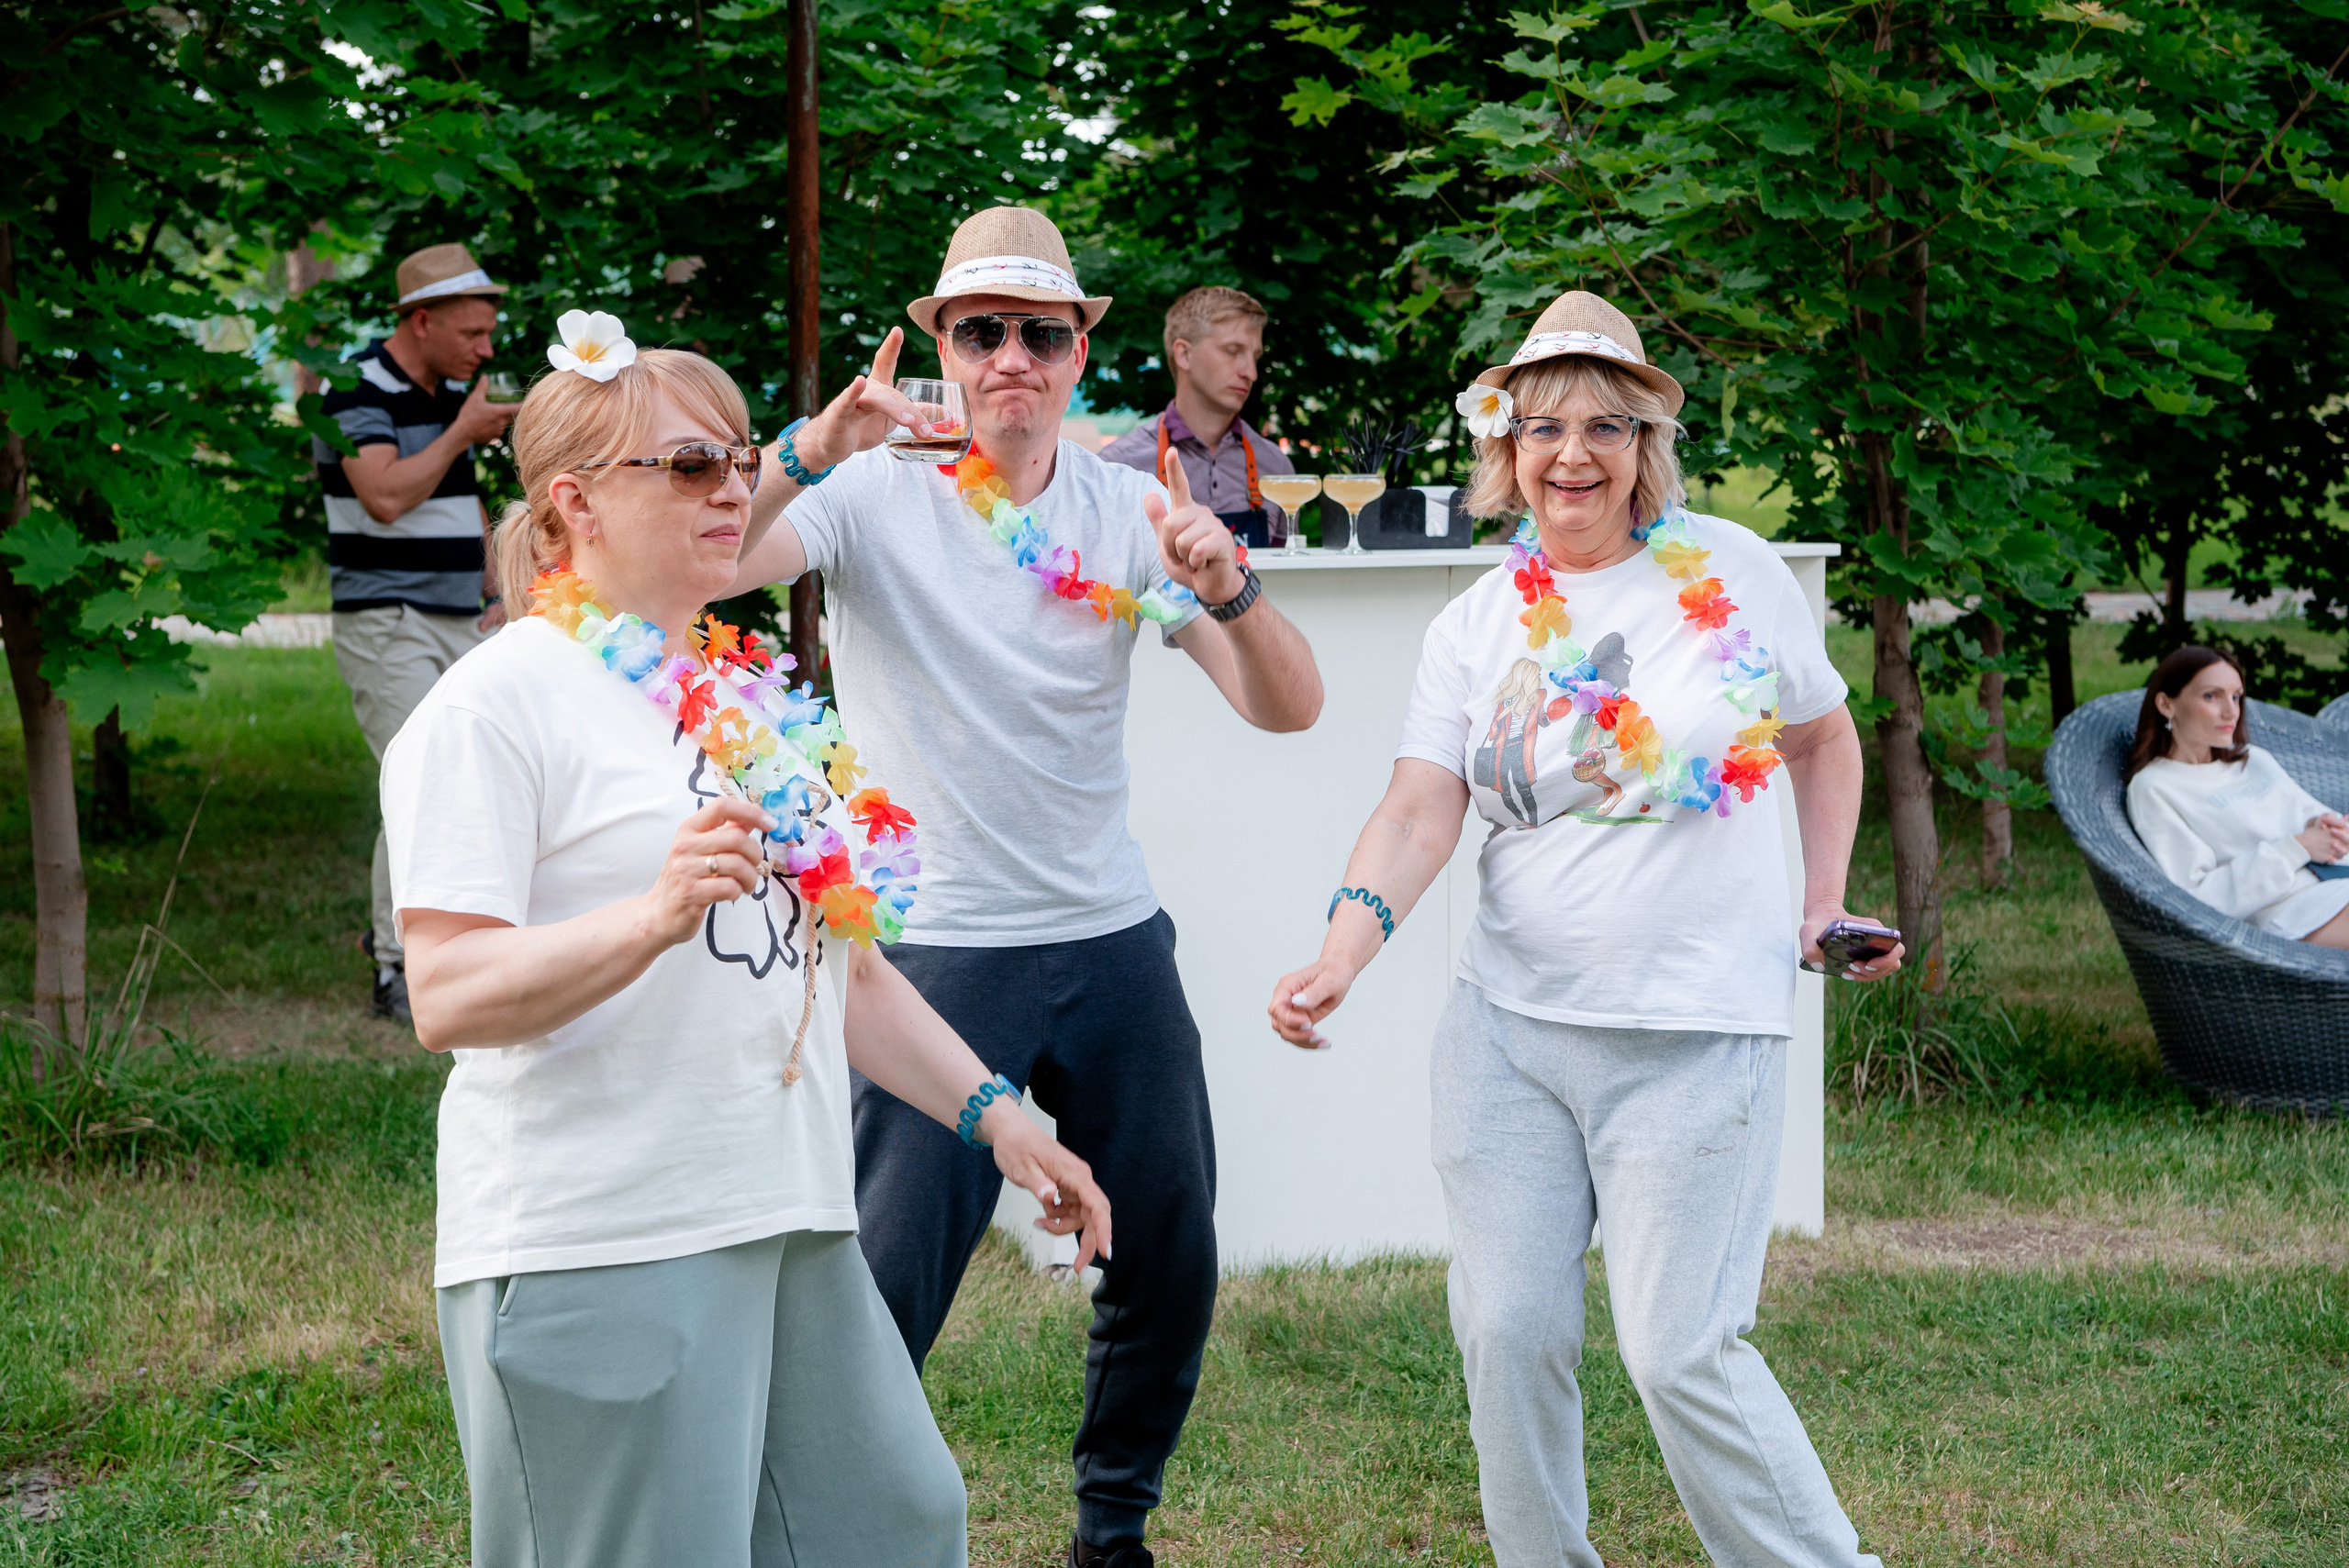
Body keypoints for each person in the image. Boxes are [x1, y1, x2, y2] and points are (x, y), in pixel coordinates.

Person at [382, 313, 1113, 1568]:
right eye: (689, 466)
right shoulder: (497, 705)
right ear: (576, 503)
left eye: (737, 457)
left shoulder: (743, 704)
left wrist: (1004, 1119)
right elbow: (447, 991)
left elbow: (847, 972)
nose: (734, 486)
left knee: (892, 1523)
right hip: (603, 1231)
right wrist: (652, 917)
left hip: (786, 1214)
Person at [1266, 291, 1900, 1568]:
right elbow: (1417, 807)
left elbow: (1825, 736)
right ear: (1503, 444)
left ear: (1644, 444)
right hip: (1511, 1035)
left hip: (1695, 1032)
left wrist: (1818, 900)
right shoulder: (1476, 622)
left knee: (1678, 1354)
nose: (1573, 453)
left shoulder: (1733, 570)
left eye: (1606, 423)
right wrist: (1343, 951)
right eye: (1543, 423)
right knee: (1507, 1334)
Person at [729, 206, 1324, 1568]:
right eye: (981, 330)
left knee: (1170, 1251)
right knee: (887, 1289)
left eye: (1039, 333)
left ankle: (1112, 1533)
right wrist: (807, 447)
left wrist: (1230, 589)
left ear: (1075, 356)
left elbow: (1288, 710)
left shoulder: (1131, 510)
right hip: (934, 948)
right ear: (944, 343)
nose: (1011, 356)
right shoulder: (875, 495)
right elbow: (716, 562)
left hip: (1108, 933)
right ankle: (821, 1531)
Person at [318, 242, 518, 1023]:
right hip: (387, 618)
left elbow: (457, 499)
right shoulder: (355, 388)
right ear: (422, 320)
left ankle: (451, 943)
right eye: (472, 333)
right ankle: (397, 964)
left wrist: (500, 589)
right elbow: (386, 497)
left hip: (461, 614)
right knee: (418, 778)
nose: (487, 349)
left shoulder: (445, 389)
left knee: (471, 773)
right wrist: (463, 430)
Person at [2123, 645, 2349, 947]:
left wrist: (2335, 830)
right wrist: (2297, 848)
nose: (2231, 711)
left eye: (2236, 696)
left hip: (2336, 881)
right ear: (2166, 704)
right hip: (2293, 911)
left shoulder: (2253, 760)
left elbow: (2315, 816)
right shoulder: (2155, 788)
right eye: (2211, 696)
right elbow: (2198, 898)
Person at [1100, 286, 1295, 548]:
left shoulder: (1276, 468)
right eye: (1233, 351)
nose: (1251, 372)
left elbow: (1285, 583)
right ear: (1184, 354)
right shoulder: (1118, 468)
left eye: (1255, 357)